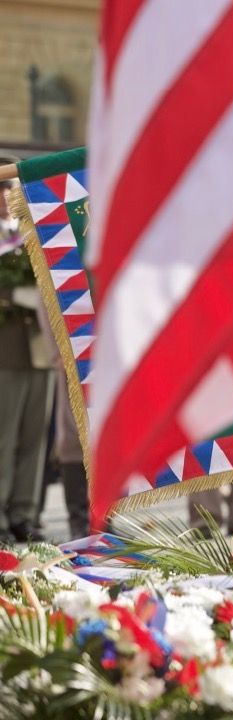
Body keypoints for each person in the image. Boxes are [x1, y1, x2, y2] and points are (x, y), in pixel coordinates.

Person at [0, 179, 54, 543]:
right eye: (1, 191)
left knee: (35, 438)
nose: (6, 198)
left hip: (39, 349)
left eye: (11, 191)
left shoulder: (32, 234)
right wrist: (14, 294)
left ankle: (25, 512)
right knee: (3, 437)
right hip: (5, 350)